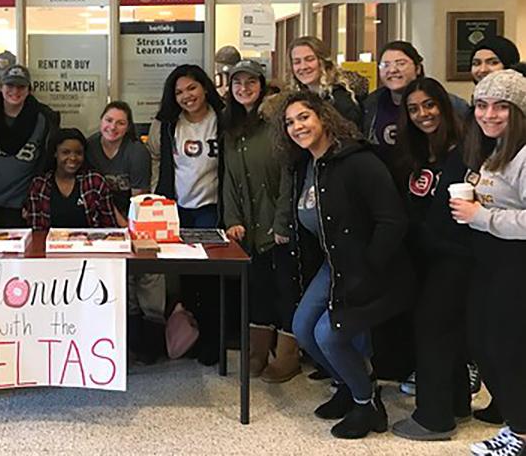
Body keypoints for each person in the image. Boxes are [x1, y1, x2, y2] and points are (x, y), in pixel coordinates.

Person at [275, 91, 413, 439]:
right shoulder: (306, 165)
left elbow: (392, 221)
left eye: (303, 117)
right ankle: (348, 386)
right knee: (304, 329)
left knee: (329, 334)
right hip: (334, 264)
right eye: (289, 122)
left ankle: (366, 403)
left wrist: (368, 269)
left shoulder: (359, 161)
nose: (297, 126)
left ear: (324, 117)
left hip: (373, 268)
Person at [390, 78, 473, 441]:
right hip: (423, 258)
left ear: (443, 104)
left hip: (455, 257)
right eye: (414, 109)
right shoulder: (417, 153)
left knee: (432, 331)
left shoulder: (465, 152)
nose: (423, 114)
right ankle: (456, 403)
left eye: (429, 105)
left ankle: (434, 419)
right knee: (443, 332)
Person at [453, 70, 526, 456]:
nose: (490, 114)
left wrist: (480, 216)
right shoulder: (494, 149)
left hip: (515, 264)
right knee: (483, 343)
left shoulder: (524, 154)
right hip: (489, 260)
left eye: (502, 107)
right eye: (482, 105)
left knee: (504, 348)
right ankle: (517, 426)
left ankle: (521, 433)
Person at [219, 60, 298, 383]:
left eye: (251, 82)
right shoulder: (231, 128)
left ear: (262, 85)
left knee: (285, 290)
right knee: (257, 290)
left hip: (276, 227)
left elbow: (287, 177)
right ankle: (257, 353)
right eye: (237, 83)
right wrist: (232, 219)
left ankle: (287, 357)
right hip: (247, 226)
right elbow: (229, 179)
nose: (244, 88)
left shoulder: (277, 123)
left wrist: (282, 223)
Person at [147, 64, 224, 365]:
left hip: (211, 209)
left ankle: (212, 341)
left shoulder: (222, 120)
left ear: (205, 87)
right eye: (179, 92)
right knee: (185, 279)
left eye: (192, 88)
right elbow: (160, 161)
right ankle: (190, 338)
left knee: (211, 278)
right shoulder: (169, 124)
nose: (186, 96)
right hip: (178, 210)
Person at [84, 104, 162, 361]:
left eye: (120, 123)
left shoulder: (136, 152)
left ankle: (150, 343)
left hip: (133, 218)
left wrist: (124, 227)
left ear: (128, 126)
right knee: (120, 281)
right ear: (101, 120)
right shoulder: (90, 146)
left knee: (147, 276)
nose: (113, 127)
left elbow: (138, 200)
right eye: (108, 120)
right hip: (100, 221)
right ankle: (124, 343)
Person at [0, 65, 60, 228]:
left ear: (29, 90)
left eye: (21, 86)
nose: (15, 91)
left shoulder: (44, 120)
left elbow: (45, 163)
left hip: (17, 208)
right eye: (10, 85)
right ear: (1, 87)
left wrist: (33, 201)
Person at [363, 41, 468, 168]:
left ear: (417, 68)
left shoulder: (452, 104)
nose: (392, 70)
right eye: (385, 65)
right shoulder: (370, 104)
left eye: (400, 63)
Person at [23, 128, 116, 230]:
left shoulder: (95, 182)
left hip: (90, 244)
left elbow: (109, 227)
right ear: (55, 153)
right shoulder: (39, 184)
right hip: (50, 244)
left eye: (78, 153)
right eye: (66, 152)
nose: (73, 158)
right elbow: (36, 231)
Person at [288, 36, 362, 127]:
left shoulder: (341, 99)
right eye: (297, 62)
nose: (303, 67)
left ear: (323, 61)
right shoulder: (296, 98)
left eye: (309, 59)